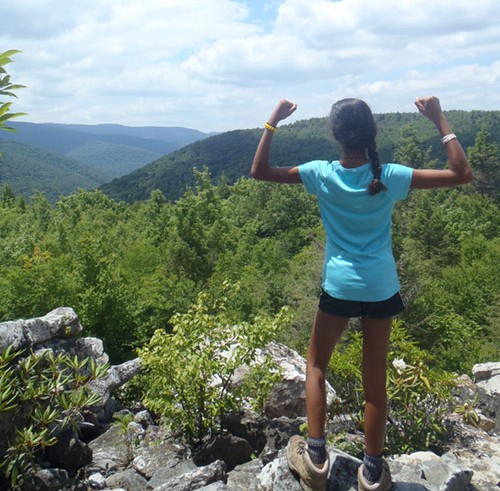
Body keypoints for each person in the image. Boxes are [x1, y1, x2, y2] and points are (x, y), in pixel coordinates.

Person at [251, 96, 473, 491]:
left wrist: (273, 121)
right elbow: (460, 173)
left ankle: (315, 457)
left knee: (316, 366)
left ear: (335, 135)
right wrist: (439, 119)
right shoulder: (388, 174)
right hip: (380, 286)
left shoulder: (321, 173)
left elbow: (260, 171)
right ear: (372, 133)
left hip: (338, 285)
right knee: (376, 380)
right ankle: (371, 471)